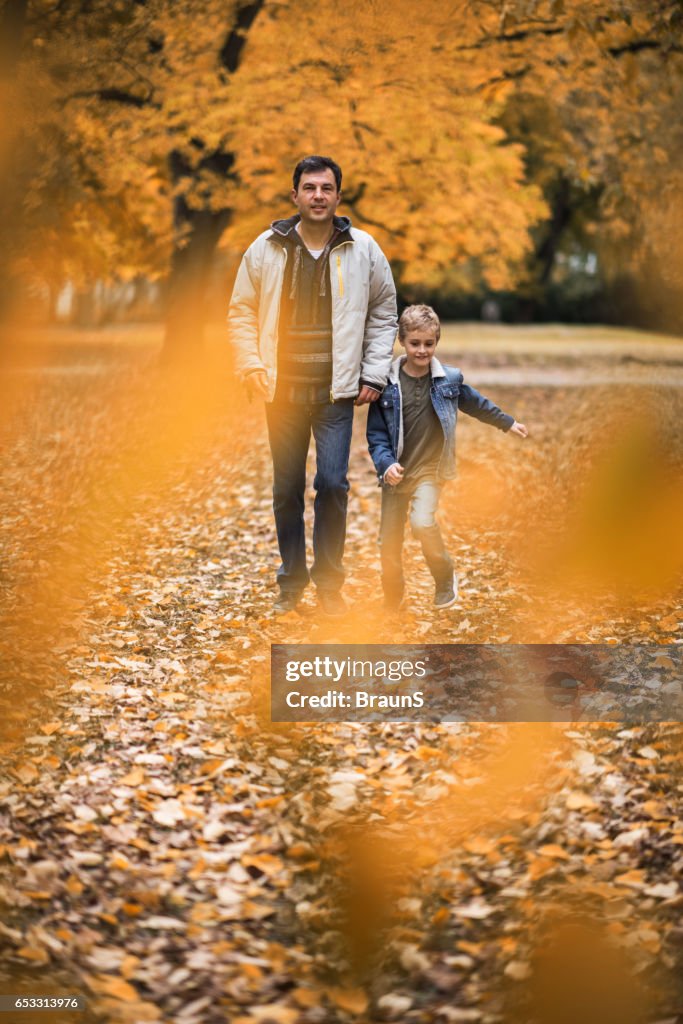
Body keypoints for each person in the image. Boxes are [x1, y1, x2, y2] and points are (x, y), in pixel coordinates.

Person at [228, 155, 398, 615]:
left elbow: (384, 312)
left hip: (335, 392)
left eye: (326, 188)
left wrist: (373, 373)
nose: (318, 196)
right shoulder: (266, 247)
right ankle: (291, 584)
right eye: (309, 188)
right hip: (279, 390)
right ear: (295, 195)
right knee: (286, 488)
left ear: (338, 195)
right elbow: (241, 310)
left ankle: (329, 587)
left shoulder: (363, 248)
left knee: (333, 485)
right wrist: (250, 365)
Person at [366, 304, 528, 611]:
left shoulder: (448, 381)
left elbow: (476, 403)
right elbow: (376, 435)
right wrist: (386, 464)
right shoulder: (387, 385)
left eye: (429, 344)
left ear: (437, 342)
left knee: (422, 522)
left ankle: (444, 577)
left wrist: (506, 422)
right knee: (387, 544)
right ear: (402, 341)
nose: (422, 350)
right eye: (415, 343)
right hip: (396, 474)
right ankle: (393, 598)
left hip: (431, 470)